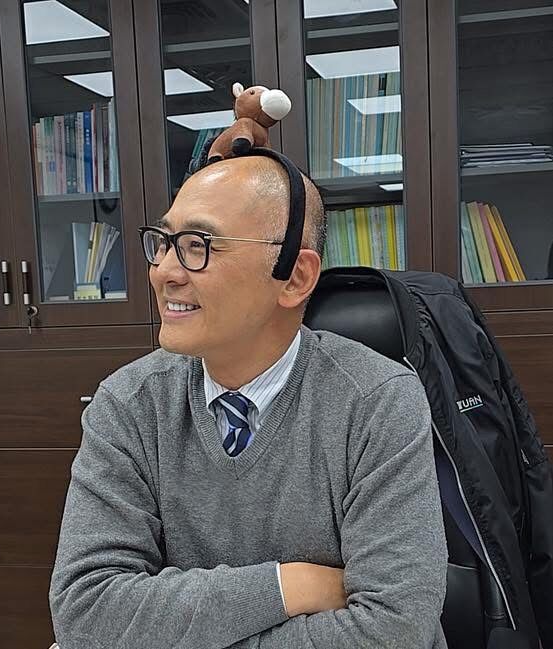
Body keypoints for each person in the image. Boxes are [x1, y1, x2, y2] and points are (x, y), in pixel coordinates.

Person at [49, 154, 448, 648]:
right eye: (165, 243)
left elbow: (394, 631)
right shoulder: (129, 403)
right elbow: (85, 611)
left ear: (295, 277)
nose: (164, 272)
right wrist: (290, 585)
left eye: (199, 245)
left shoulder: (378, 401)